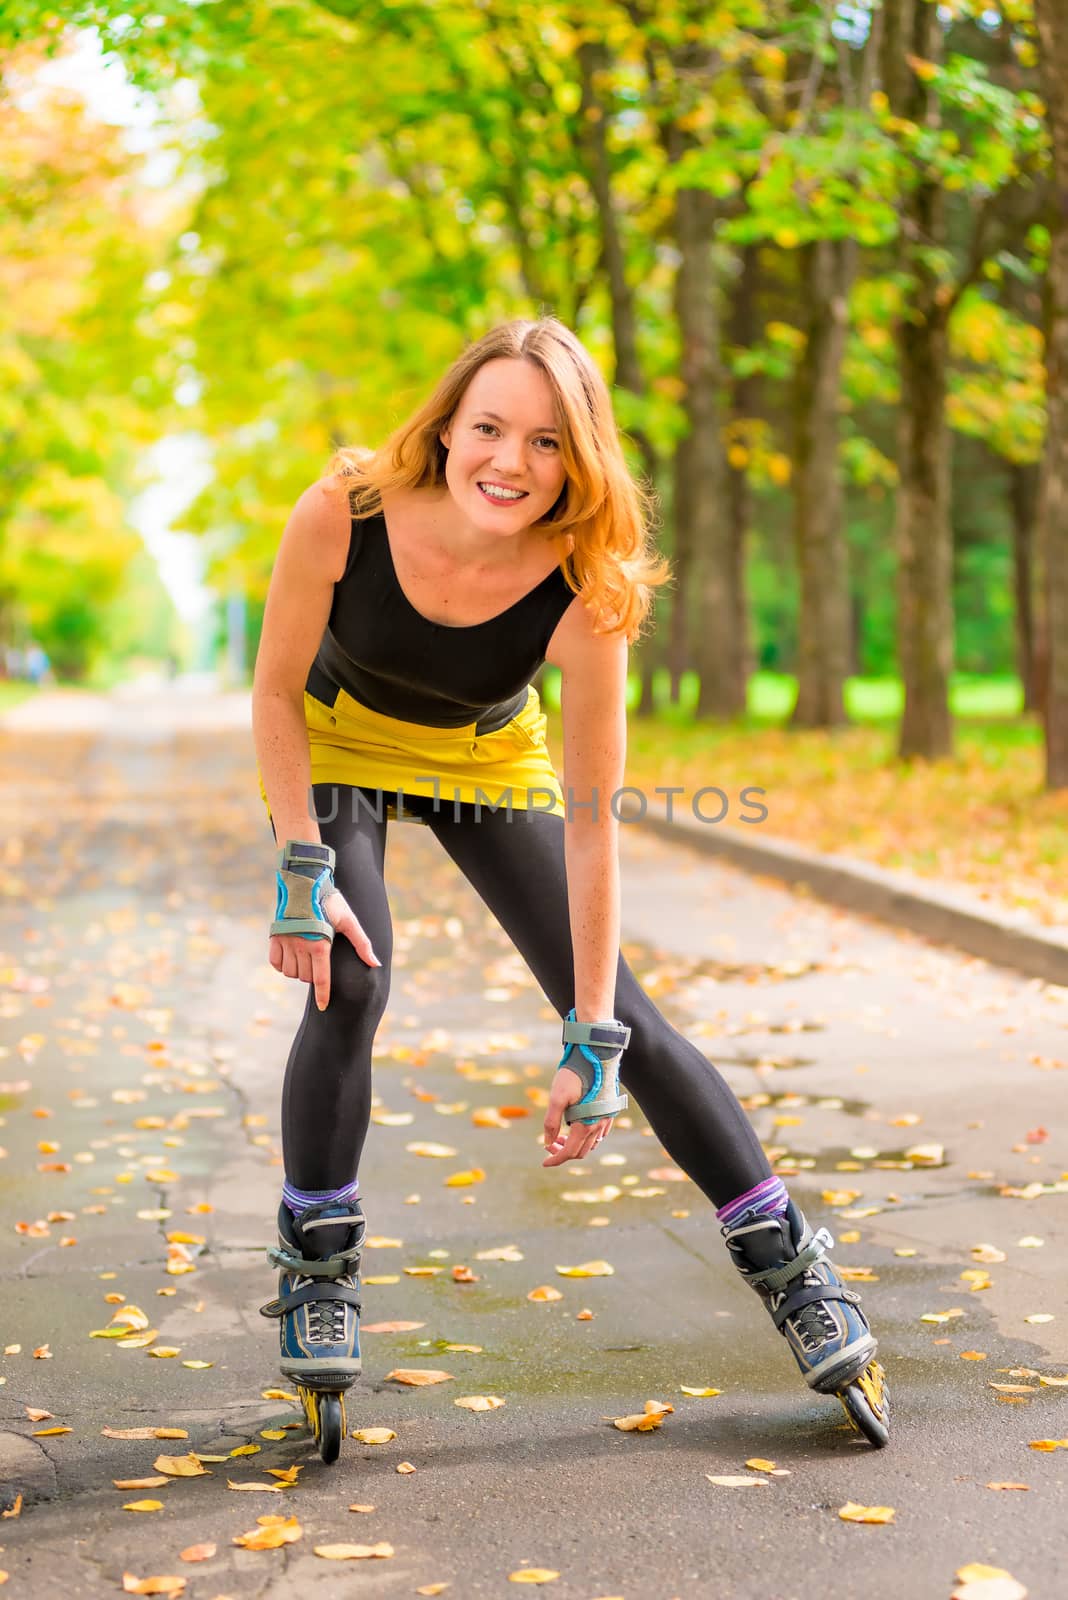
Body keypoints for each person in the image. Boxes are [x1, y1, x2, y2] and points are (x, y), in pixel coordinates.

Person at [251, 316, 887, 1458]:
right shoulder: (342, 512)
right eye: (489, 427)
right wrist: (302, 860)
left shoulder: (584, 585)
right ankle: (317, 1267)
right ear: (446, 426)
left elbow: (594, 823)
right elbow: (274, 694)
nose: (510, 461)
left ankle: (795, 1267)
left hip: (490, 760)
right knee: (347, 974)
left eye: (546, 443)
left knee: (626, 1020)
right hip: (341, 748)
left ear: (579, 458)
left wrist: (588, 1030)